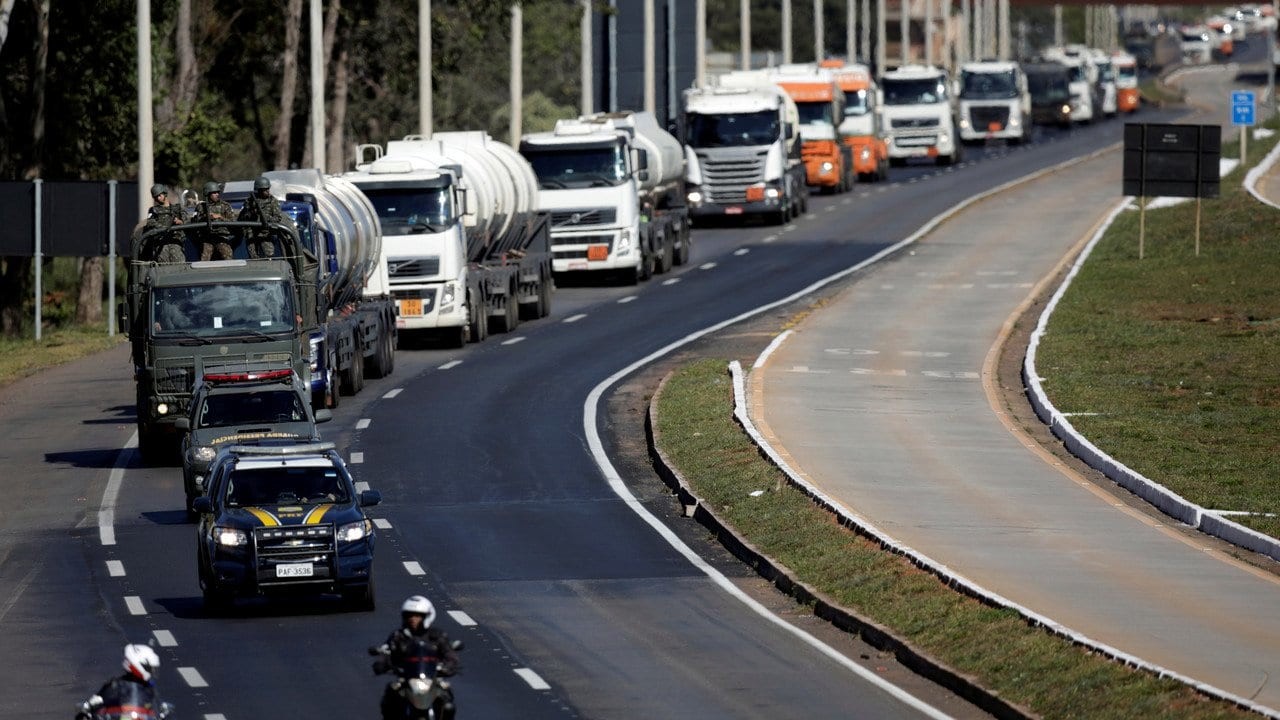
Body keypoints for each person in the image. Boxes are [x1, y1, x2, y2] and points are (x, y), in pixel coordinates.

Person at [374, 595, 459, 720]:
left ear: (427, 616)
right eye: (409, 615)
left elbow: (450, 654)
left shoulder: (437, 636)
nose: (413, 619)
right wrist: (382, 663)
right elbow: (386, 651)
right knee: (389, 699)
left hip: (432, 679)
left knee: (447, 704)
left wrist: (448, 666)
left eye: (417, 616)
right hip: (406, 680)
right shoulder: (399, 636)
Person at [76, 644, 172, 719]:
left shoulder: (148, 688)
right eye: (150, 668)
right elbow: (94, 703)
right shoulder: (114, 685)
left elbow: (154, 710)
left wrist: (162, 714)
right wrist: (89, 706)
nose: (152, 671)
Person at [238, 176, 289, 258]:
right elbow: (242, 217)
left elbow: (278, 218)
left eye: (268, 189)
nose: (267, 191)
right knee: (253, 257)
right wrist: (251, 212)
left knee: (269, 255)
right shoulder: (250, 201)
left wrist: (266, 217)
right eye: (265, 190)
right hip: (252, 234)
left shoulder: (273, 201)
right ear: (259, 190)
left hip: (265, 233)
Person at [143, 184, 186, 263]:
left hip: (175, 241)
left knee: (179, 265)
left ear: (164, 193)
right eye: (156, 197)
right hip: (161, 243)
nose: (158, 198)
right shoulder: (154, 210)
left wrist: (180, 222)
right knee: (163, 265)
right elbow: (150, 222)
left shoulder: (177, 208)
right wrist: (163, 227)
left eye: (159, 195)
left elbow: (187, 221)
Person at [195, 181, 237, 261]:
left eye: (218, 192)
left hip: (221, 236)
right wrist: (206, 217)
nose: (217, 194)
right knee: (204, 258)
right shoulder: (201, 207)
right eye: (214, 193)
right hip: (207, 238)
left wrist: (220, 217)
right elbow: (195, 222)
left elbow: (233, 222)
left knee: (228, 255)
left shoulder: (225, 205)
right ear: (208, 194)